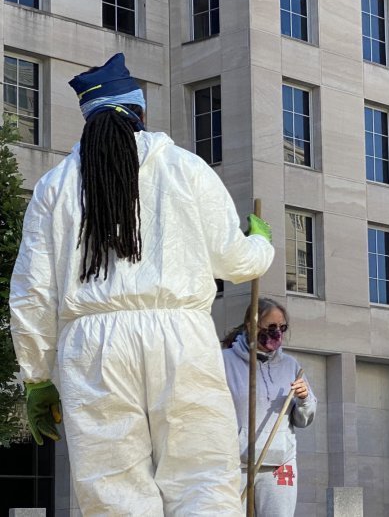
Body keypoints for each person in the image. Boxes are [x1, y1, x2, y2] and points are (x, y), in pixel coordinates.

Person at [8, 53, 275, 515]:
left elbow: (33, 293)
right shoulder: (186, 168)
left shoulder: (56, 186)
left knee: (113, 493)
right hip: (181, 336)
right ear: (140, 112)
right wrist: (262, 243)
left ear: (88, 120)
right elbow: (235, 262)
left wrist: (36, 377)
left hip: (93, 349)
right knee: (203, 480)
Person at [222, 298, 316, 517]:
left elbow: (304, 419)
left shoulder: (291, 366)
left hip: (279, 464)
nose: (277, 333)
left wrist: (304, 400)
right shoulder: (223, 362)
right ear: (251, 326)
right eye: (270, 328)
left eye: (282, 328)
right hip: (235, 464)